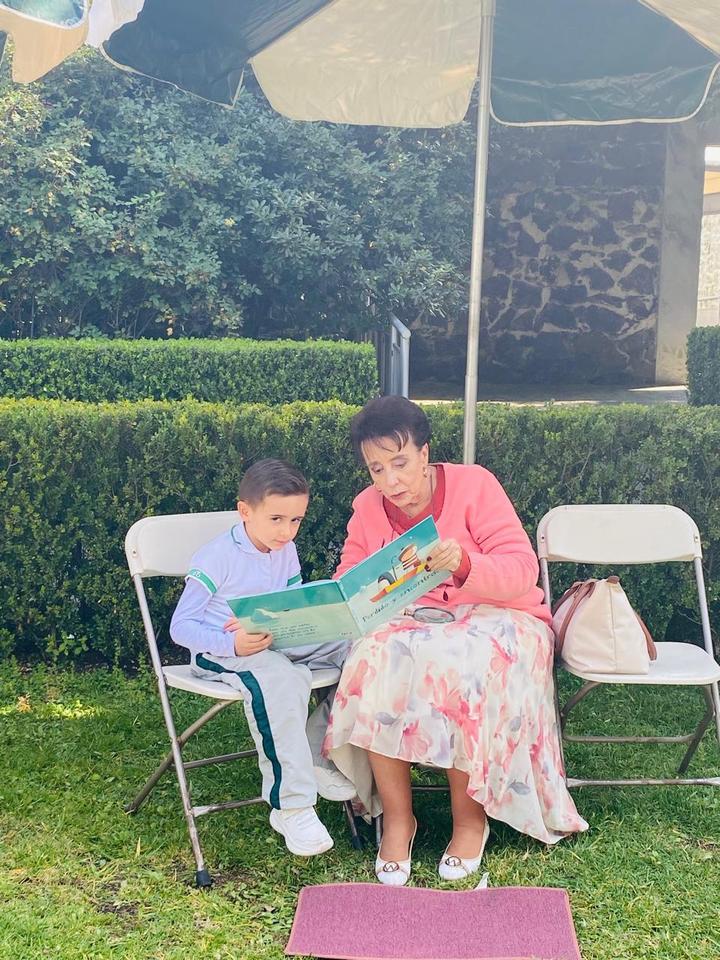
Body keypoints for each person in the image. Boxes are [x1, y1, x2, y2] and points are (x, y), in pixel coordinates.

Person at [323, 397, 588, 885]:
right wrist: (354, 595)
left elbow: (522, 570)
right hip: (413, 621)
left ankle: (469, 820)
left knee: (461, 664)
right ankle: (398, 820)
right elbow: (350, 576)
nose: (391, 481)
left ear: (425, 453)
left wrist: (465, 564)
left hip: (501, 615)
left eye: (400, 463)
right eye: (377, 469)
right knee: (372, 658)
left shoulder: (474, 484)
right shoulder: (367, 506)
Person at [170, 458, 354, 857]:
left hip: (275, 639)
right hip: (222, 652)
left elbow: (290, 603)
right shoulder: (216, 557)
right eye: (276, 519)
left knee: (359, 644)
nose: (286, 531)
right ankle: (292, 807)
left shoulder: (284, 549)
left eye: (296, 520)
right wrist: (232, 645)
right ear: (245, 511)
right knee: (282, 678)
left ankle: (320, 749)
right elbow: (180, 627)